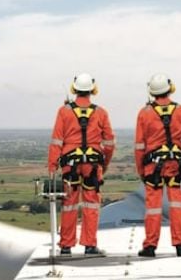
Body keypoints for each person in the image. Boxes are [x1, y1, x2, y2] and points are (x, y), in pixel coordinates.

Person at [47, 73, 115, 256]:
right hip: (93, 166)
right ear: (93, 89)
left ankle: (66, 246)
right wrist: (105, 164)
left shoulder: (64, 111)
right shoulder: (101, 113)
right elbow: (109, 143)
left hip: (70, 165)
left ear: (74, 89)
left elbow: (56, 141)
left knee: (69, 203)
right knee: (91, 205)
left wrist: (52, 167)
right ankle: (90, 245)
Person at [134, 73, 181, 258]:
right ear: (170, 89)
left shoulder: (145, 113)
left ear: (152, 93)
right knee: (177, 206)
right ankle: (180, 246)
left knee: (153, 208)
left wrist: (142, 172)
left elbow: (139, 147)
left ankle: (150, 247)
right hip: (176, 166)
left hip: (153, 168)